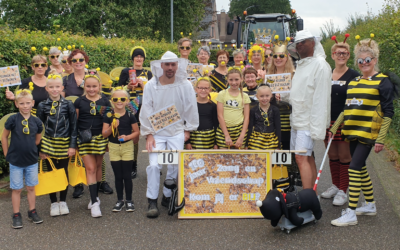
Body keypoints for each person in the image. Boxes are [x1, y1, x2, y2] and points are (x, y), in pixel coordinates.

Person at [330, 36, 398, 226]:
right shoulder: (354, 81)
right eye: (360, 61)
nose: (364, 63)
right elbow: (348, 108)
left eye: (368, 60)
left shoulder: (383, 81)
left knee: (353, 168)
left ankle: (350, 212)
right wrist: (334, 128)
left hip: (369, 133)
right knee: (361, 169)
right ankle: (370, 205)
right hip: (352, 131)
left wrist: (381, 139)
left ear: (375, 60)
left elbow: (388, 112)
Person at [140, 51, 199, 218]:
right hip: (157, 133)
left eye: (173, 64)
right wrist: (149, 134)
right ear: (161, 66)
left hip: (177, 131)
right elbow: (146, 110)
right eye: (167, 64)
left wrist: (188, 129)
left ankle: (167, 196)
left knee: (175, 164)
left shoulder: (185, 85)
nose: (170, 68)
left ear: (177, 66)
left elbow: (190, 108)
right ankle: (152, 200)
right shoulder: (151, 85)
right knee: (153, 165)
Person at [287, 30, 332, 191]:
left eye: (303, 42)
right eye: (297, 43)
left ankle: (307, 200)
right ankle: (312, 195)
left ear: (313, 43)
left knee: (300, 158)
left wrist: (318, 127)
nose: (299, 45)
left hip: (308, 121)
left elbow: (321, 98)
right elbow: (298, 93)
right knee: (306, 157)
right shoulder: (301, 65)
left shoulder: (320, 65)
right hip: (297, 120)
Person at [64, 49, 113, 198]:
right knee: (87, 165)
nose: (78, 63)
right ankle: (80, 185)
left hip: (99, 135)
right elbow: (75, 120)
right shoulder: (67, 81)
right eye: (74, 60)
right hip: (84, 136)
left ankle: (99, 187)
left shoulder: (103, 98)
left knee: (98, 165)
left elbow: (106, 118)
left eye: (81, 60)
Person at [321, 35, 360, 206]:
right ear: (333, 55)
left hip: (345, 121)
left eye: (345, 53)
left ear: (349, 55)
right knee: (332, 154)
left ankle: (344, 190)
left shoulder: (354, 75)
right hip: (327, 120)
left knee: (345, 156)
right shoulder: (327, 73)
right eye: (338, 53)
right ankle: (335, 185)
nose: (341, 55)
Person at [36, 70, 77, 217]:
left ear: (62, 88)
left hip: (65, 143)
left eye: (57, 87)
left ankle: (63, 201)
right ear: (46, 88)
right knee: (50, 172)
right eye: (51, 87)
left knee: (63, 171)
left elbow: (74, 126)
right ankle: (53, 202)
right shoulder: (42, 106)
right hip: (48, 143)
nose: (54, 90)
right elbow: (38, 128)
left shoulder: (68, 105)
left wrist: (73, 145)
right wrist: (40, 148)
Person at [1, 89, 43, 229]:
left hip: (31, 161)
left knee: (31, 187)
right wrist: (7, 153)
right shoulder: (12, 119)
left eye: (27, 103)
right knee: (17, 189)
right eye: (22, 103)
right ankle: (16, 214)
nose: (25, 106)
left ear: (32, 103)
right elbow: (4, 136)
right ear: (17, 104)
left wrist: (29, 148)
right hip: (16, 161)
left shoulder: (36, 121)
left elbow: (37, 140)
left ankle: (32, 211)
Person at [74, 69, 111, 218]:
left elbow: (107, 121)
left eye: (94, 86)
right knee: (89, 168)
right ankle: (95, 202)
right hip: (84, 139)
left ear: (99, 86)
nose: (91, 89)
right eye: (88, 86)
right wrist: (74, 142)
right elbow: (74, 122)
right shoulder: (79, 101)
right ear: (84, 87)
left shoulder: (105, 101)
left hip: (100, 139)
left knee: (96, 167)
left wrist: (107, 140)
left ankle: (93, 196)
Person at [118, 46, 153, 179]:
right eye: (136, 56)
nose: (139, 58)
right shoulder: (126, 71)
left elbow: (153, 92)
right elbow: (117, 88)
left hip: (144, 106)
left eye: (141, 56)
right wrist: (127, 87)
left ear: (144, 59)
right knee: (131, 135)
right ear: (133, 58)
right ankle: (130, 164)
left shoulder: (148, 73)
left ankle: (152, 164)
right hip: (130, 106)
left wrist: (144, 86)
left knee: (149, 135)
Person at [103, 88, 140, 212]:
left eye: (122, 99)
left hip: (127, 147)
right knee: (118, 176)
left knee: (127, 175)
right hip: (113, 147)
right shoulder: (108, 115)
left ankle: (129, 200)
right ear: (112, 101)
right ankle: (120, 200)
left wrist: (127, 137)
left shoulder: (130, 115)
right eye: (116, 99)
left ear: (127, 101)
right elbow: (104, 134)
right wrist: (111, 127)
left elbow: (137, 132)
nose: (119, 101)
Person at [267, 36, 295, 150]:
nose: (278, 58)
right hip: (272, 119)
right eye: (275, 56)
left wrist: (284, 98)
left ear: (287, 58)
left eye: (281, 56)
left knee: (287, 149)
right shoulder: (268, 75)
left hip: (288, 118)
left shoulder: (294, 74)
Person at [216, 67, 250, 149]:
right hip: (224, 131)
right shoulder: (222, 94)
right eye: (231, 80)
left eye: (236, 79)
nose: (234, 82)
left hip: (239, 130)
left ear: (241, 79)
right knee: (223, 158)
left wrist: (241, 137)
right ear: (227, 79)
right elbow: (220, 115)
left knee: (239, 159)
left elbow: (246, 117)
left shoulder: (244, 96)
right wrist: (226, 135)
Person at [186, 77, 218, 149]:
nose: (203, 90)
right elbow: (186, 123)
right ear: (196, 89)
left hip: (209, 139)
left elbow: (216, 125)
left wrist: (216, 143)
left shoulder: (213, 106)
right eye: (201, 88)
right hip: (194, 139)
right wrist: (187, 142)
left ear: (210, 90)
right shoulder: (190, 105)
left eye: (206, 88)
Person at [246, 85, 281, 150]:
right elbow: (250, 127)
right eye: (261, 96)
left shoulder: (275, 110)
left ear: (271, 96)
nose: (264, 98)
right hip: (256, 140)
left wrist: (278, 145)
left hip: (271, 140)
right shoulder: (253, 110)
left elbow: (278, 128)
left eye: (267, 96)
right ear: (257, 96)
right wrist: (246, 144)